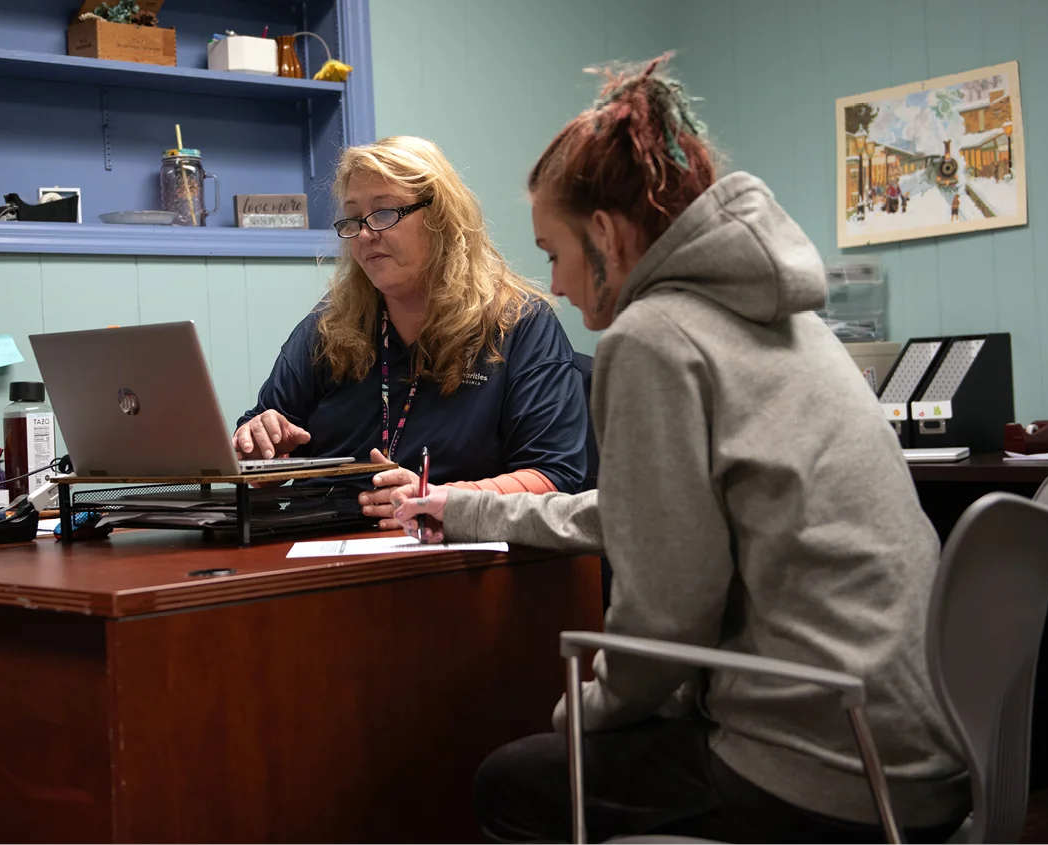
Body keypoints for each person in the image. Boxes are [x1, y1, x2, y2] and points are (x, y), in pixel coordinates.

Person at [394, 56, 969, 842]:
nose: (554, 285)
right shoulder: (785, 317)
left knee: (513, 780)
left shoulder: (653, 335)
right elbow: (656, 518)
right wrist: (465, 506)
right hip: (906, 750)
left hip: (820, 772)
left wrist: (585, 710)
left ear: (604, 233)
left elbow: (666, 611)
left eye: (553, 251)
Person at [235, 135, 588, 529]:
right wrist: (259, 446)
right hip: (319, 542)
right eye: (353, 219)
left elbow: (554, 476)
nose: (366, 234)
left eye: (384, 213)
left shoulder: (519, 324)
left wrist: (440, 499)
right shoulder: (329, 325)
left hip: (449, 547)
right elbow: (260, 458)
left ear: (441, 219)